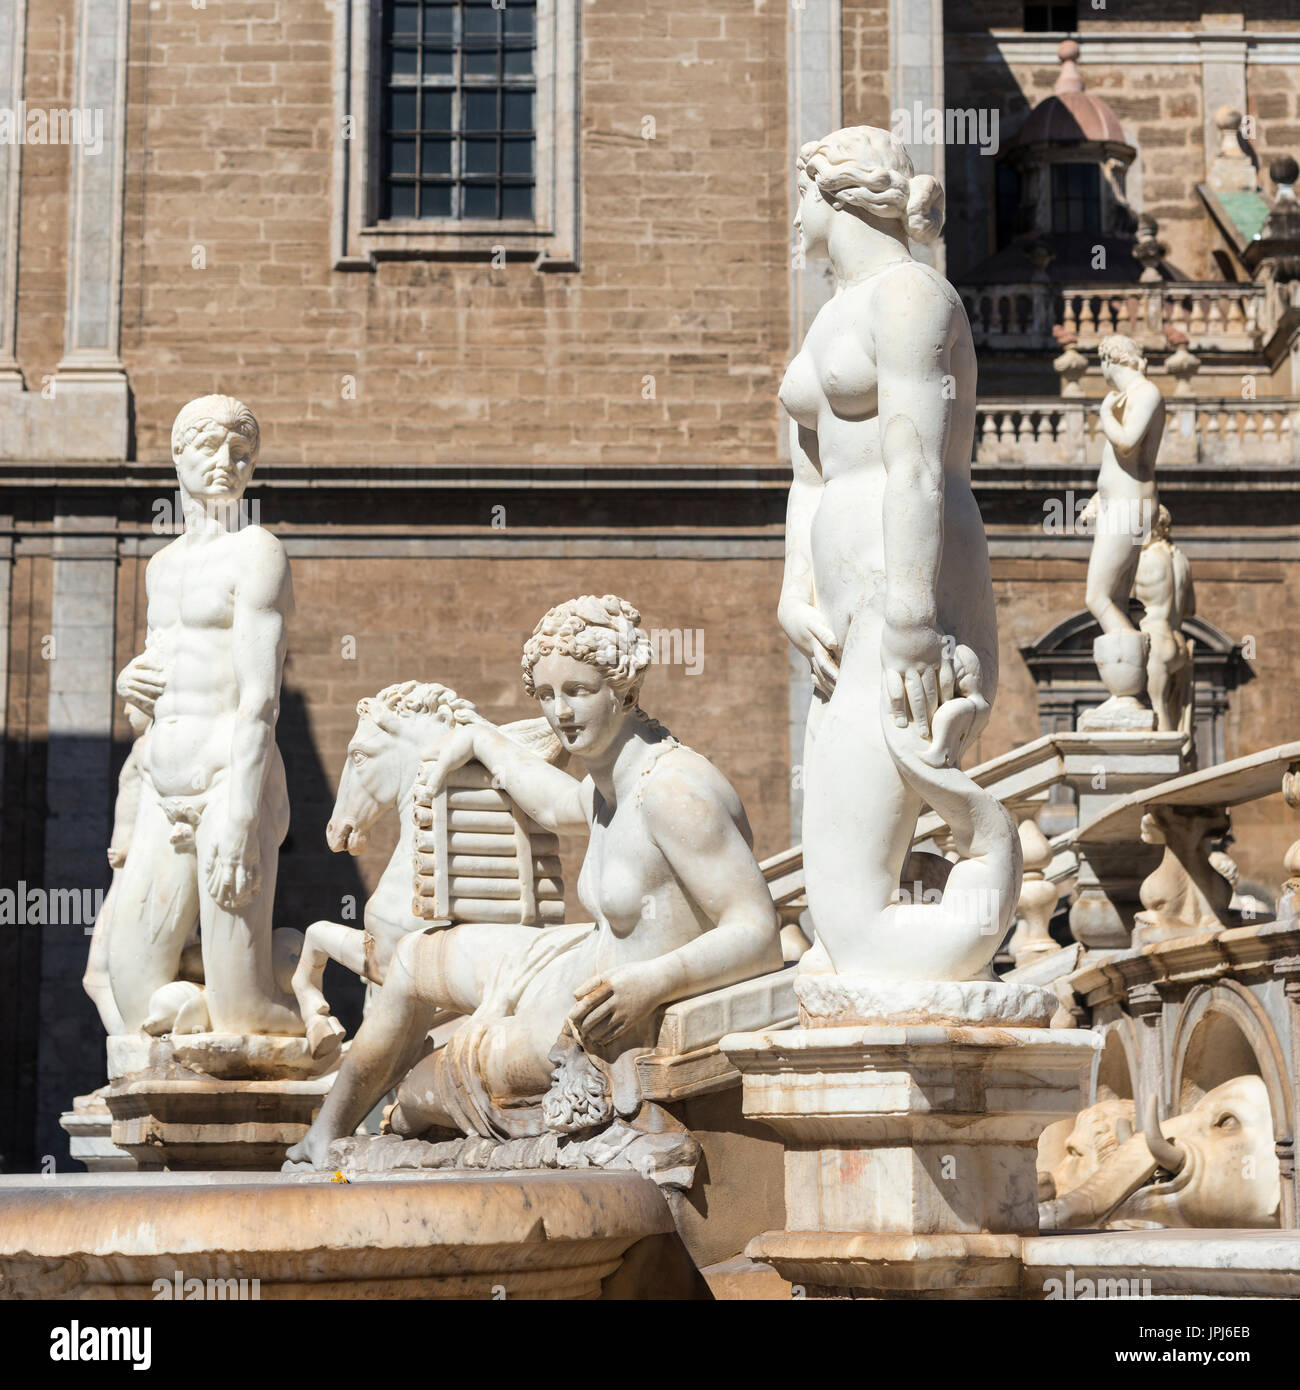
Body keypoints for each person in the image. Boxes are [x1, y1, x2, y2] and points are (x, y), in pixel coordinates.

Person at [285, 594, 782, 1166]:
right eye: (546, 695)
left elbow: (758, 931)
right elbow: (556, 805)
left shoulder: (672, 793)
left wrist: (651, 983)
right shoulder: (609, 785)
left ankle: (381, 1131)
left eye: (578, 691)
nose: (560, 712)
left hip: (583, 1026)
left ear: (621, 687)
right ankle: (324, 1132)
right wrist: (481, 740)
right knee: (410, 959)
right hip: (565, 960)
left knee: (419, 1089)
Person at [776, 126, 1008, 977]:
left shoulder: (914, 295)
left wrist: (914, 617)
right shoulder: (832, 313)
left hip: (907, 588)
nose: (793, 217)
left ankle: (984, 867)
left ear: (840, 196)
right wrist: (794, 589)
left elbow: (917, 464)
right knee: (831, 894)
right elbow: (807, 470)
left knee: (850, 915)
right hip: (844, 608)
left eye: (801, 194)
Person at [109, 395, 301, 1036]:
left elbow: (261, 699)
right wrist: (131, 687)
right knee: (136, 1001)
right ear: (178, 455)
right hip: (165, 792)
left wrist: (244, 819)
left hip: (230, 785)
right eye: (210, 447)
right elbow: (157, 698)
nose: (227, 464)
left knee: (244, 1016)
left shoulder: (257, 552)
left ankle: (304, 986)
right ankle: (204, 1003)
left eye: (242, 454)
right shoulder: (160, 568)